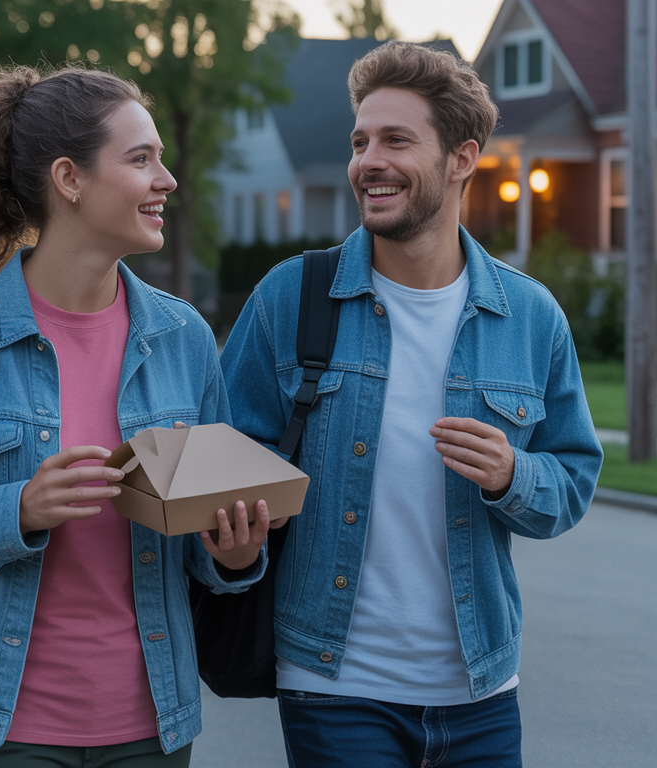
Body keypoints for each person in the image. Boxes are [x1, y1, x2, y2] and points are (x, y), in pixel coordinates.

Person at [0, 65, 274, 767]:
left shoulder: (185, 340)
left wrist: (234, 555)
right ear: (69, 179)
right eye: (141, 159)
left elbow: (205, 548)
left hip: (151, 725)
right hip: (0, 728)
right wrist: (16, 509)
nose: (167, 180)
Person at [221, 41, 603, 767]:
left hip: (483, 694)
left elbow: (572, 481)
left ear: (462, 157)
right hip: (334, 687)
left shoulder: (529, 316)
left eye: (397, 139)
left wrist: (511, 475)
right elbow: (223, 465)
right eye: (361, 141)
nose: (369, 160)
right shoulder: (291, 297)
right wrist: (235, 552)